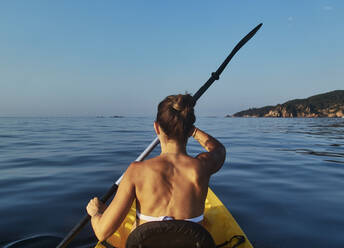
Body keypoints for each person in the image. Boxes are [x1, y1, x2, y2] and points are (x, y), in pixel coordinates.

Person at [86, 94, 226, 242]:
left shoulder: (136, 171)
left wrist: (96, 213)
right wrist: (194, 131)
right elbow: (218, 149)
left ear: (156, 127)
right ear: (188, 129)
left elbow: (102, 233)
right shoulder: (202, 166)